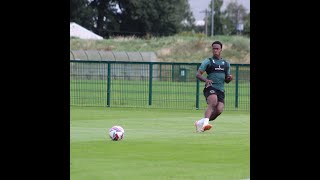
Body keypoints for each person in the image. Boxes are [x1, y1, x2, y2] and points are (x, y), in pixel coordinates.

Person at [194, 41, 233, 132]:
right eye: (213, 48)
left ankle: (200, 123)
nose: (215, 50)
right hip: (210, 87)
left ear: (221, 50)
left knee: (219, 110)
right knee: (213, 102)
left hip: (221, 90)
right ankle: (205, 125)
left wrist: (229, 78)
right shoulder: (208, 61)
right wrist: (206, 80)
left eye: (217, 48)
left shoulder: (226, 64)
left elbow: (226, 80)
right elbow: (198, 74)